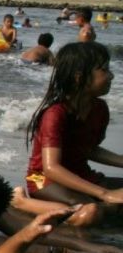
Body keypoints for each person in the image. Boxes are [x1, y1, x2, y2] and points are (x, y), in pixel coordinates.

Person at [24, 42, 123, 211]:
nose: (111, 76)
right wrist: (105, 194)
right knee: (91, 211)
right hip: (40, 178)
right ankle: (23, 203)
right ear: (79, 77)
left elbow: (88, 149)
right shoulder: (55, 114)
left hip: (79, 174)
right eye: (104, 70)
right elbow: (51, 168)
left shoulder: (99, 109)